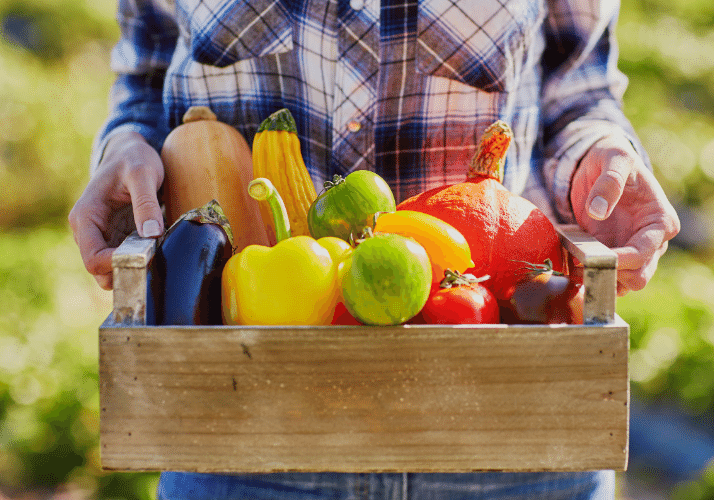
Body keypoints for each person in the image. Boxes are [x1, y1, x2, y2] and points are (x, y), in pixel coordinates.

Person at [69, 0, 680, 498]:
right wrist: (127, 142)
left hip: (508, 424)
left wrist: (598, 150)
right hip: (243, 425)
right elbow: (147, 79)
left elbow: (578, 90)